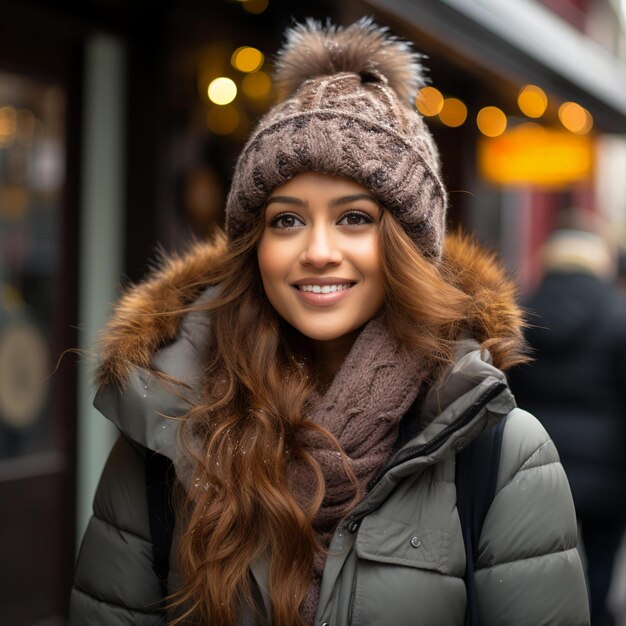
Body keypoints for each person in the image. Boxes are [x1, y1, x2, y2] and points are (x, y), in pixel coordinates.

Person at [69, 18, 590, 626]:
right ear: (254, 246)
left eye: (354, 219)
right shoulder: (166, 427)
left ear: (406, 247)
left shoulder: (497, 452)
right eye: (287, 220)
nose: (317, 250)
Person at [509, 226, 626, 626]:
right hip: (606, 469)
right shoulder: (617, 315)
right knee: (600, 556)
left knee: (537, 561)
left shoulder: (520, 313)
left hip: (532, 463)